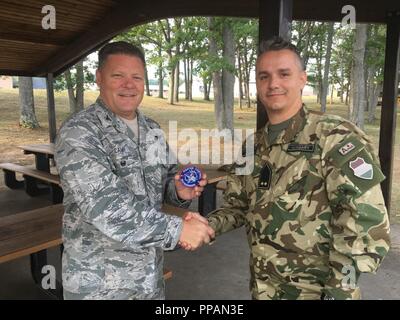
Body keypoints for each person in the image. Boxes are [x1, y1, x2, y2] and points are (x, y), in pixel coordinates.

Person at [202, 37, 391, 300]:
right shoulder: (253, 146)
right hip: (263, 290)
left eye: (284, 74)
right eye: (264, 76)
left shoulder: (334, 137)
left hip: (318, 293)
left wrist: (340, 292)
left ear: (302, 79)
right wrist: (204, 226)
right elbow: (238, 206)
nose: (273, 84)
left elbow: (366, 225)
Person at [55, 41, 214, 300]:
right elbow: (106, 207)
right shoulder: (79, 132)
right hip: (100, 284)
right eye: (118, 76)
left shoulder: (151, 129)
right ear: (99, 78)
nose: (128, 85)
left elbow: (166, 182)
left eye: (136, 77)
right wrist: (178, 230)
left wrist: (180, 191)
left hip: (148, 279)